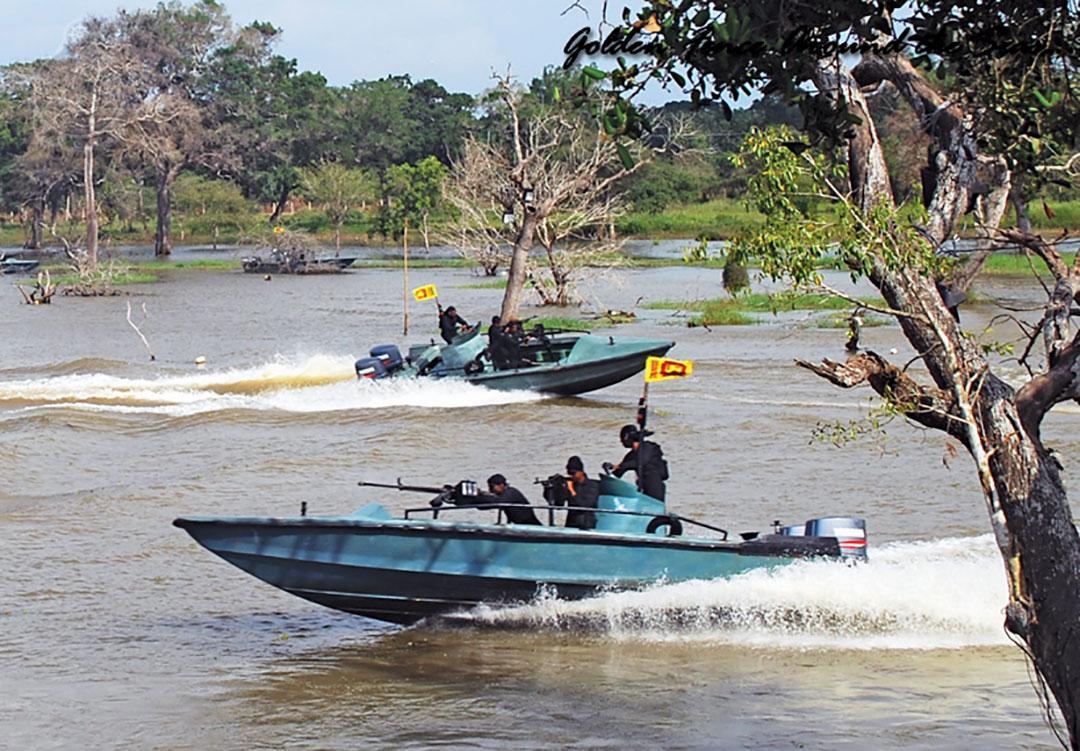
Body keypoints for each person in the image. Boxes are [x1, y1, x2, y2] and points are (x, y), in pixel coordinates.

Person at [608, 425, 668, 501]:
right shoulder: (631, 455)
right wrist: (609, 475)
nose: (621, 441)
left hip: (655, 486)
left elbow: (641, 462)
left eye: (622, 438)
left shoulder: (648, 447)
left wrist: (621, 465)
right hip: (642, 487)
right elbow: (619, 472)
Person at [561, 455, 599, 530]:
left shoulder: (592, 486)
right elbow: (559, 503)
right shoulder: (571, 485)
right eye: (569, 473)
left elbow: (585, 505)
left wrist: (572, 491)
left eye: (573, 473)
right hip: (571, 524)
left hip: (586, 524)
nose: (571, 476)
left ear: (581, 472)